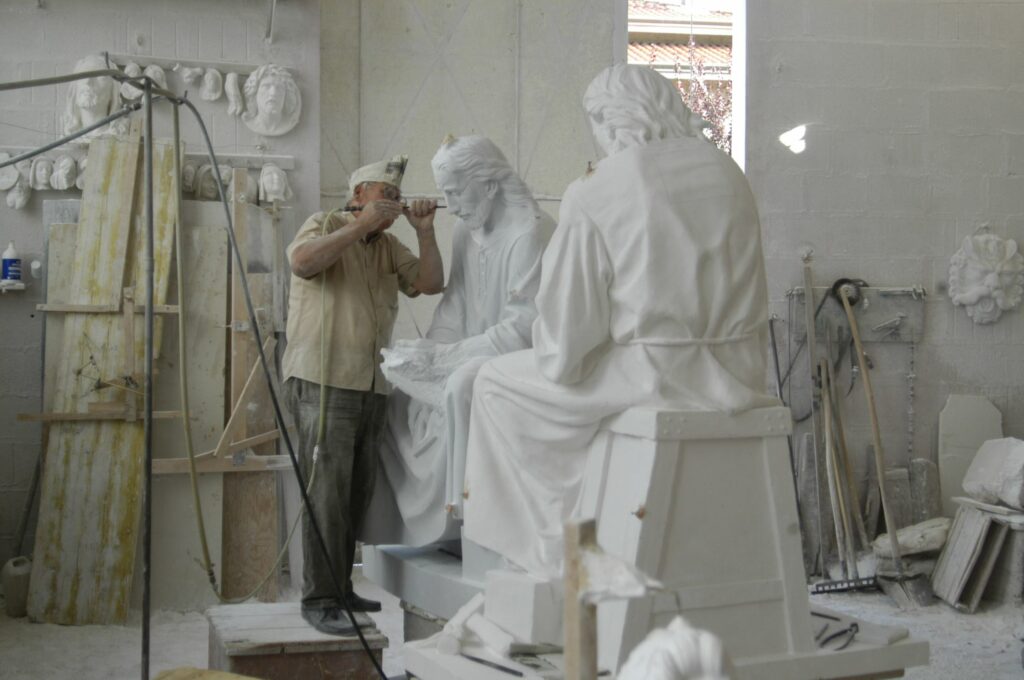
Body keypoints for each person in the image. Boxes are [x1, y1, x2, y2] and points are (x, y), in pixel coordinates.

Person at [462, 64, 777, 579]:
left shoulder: (602, 186)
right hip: (742, 372)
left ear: (608, 122)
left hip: (658, 378)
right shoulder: (728, 172)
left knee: (494, 383)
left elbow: (565, 348)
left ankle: (553, 554)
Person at [282, 155, 444, 634]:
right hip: (323, 381)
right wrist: (358, 228)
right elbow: (302, 263)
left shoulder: (390, 246)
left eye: (397, 196)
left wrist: (426, 231)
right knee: (326, 495)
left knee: (355, 494)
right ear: (357, 197)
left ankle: (340, 590)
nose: (393, 201)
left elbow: (430, 282)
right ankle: (319, 598)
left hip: (370, 384)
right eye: (384, 194)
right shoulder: (325, 224)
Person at [361, 135, 549, 547]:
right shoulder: (467, 231)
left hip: (516, 360)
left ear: (489, 183)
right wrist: (429, 350)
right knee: (396, 401)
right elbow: (453, 307)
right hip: (471, 351)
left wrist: (448, 357)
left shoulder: (530, 233)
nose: (451, 203)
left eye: (454, 191)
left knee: (459, 391)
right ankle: (410, 537)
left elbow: (523, 328)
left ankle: (460, 523)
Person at [63, 54, 124, 139]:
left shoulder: (119, 137)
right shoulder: (69, 137)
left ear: (113, 91)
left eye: (100, 77)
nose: (88, 82)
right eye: (82, 75)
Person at [242, 64, 301, 136]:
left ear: (286, 95)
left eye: (279, 88)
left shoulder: (290, 122)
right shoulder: (250, 122)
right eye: (266, 86)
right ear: (254, 93)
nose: (273, 93)